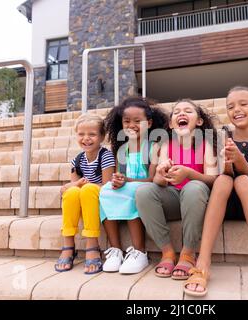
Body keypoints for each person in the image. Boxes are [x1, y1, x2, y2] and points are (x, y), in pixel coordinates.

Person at [183, 86, 248, 296]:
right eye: (230, 106)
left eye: (243, 104)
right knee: (224, 181)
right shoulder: (221, 136)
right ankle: (203, 263)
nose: (237, 109)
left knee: (243, 181)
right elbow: (221, 175)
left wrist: (239, 158)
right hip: (224, 202)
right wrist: (227, 164)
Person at [136, 99, 218, 280]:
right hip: (173, 198)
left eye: (188, 111)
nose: (182, 114)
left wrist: (189, 173)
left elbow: (213, 180)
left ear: (199, 121)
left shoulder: (206, 145)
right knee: (143, 191)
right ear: (172, 124)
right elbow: (160, 183)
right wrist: (160, 173)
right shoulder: (166, 146)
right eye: (177, 112)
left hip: (196, 199)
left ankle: (188, 253)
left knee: (193, 187)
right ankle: (167, 252)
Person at [100, 97, 168, 274]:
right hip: (127, 189)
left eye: (138, 121)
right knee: (104, 191)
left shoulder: (154, 147)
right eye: (127, 121)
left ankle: (140, 251)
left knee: (132, 190)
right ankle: (116, 250)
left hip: (147, 191)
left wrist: (127, 182)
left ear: (149, 123)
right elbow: (118, 176)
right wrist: (116, 181)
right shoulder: (121, 150)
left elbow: (153, 179)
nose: (132, 125)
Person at [55, 113, 115, 274]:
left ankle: (92, 244)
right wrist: (72, 185)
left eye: (92, 134)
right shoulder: (77, 160)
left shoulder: (106, 156)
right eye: (81, 134)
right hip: (84, 197)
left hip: (98, 196)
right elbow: (74, 184)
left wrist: (87, 186)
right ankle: (68, 244)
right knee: (72, 192)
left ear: (102, 136)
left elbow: (107, 186)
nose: (86, 138)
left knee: (87, 189)